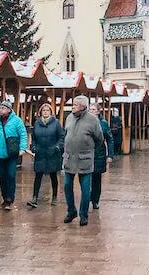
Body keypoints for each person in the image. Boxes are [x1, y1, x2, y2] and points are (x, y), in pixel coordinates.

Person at [62, 95, 103, 226]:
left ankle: (83, 215)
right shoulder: (69, 118)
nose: (73, 106)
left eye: (75, 104)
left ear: (83, 107)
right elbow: (65, 134)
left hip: (84, 159)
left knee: (85, 189)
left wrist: (88, 149)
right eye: (72, 104)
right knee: (67, 186)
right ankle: (71, 211)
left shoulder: (93, 120)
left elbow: (99, 139)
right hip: (69, 158)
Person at [0, 100, 28, 210]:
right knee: (2, 177)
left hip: (12, 153)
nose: (0, 109)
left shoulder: (17, 121)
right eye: (0, 107)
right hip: (0, 154)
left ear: (9, 110)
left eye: (3, 107)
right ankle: (4, 198)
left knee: (11, 175)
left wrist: (22, 148)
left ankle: (10, 199)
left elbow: (23, 134)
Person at [27, 103, 64, 208]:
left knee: (53, 176)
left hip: (53, 153)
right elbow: (34, 138)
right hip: (40, 153)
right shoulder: (37, 123)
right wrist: (33, 147)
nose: (45, 112)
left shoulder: (56, 123)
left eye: (47, 110)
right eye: (43, 110)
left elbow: (61, 137)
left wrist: (57, 147)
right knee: (38, 176)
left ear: (51, 112)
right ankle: (34, 198)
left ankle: (55, 197)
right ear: (40, 112)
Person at [89, 103, 114, 210]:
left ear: (98, 111)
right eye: (90, 109)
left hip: (99, 153)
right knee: (86, 177)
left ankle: (95, 200)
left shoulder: (103, 123)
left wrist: (110, 155)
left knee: (97, 178)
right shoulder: (85, 122)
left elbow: (110, 138)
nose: (91, 111)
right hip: (87, 153)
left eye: (93, 109)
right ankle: (88, 196)